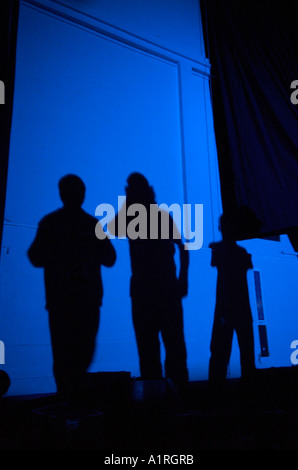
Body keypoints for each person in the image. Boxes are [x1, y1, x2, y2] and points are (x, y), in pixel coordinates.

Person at [28, 174, 116, 399]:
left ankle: (66, 400)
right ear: (82, 195)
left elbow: (36, 257)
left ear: (61, 194)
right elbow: (110, 258)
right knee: (81, 353)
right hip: (86, 301)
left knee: (63, 355)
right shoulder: (90, 224)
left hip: (61, 301)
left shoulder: (51, 222)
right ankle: (75, 400)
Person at [109, 172, 189, 389]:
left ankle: (158, 401)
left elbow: (112, 228)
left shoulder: (134, 217)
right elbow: (182, 248)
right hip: (165, 288)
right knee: (172, 347)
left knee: (149, 349)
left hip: (145, 290)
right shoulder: (161, 215)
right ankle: (178, 397)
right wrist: (183, 279)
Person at [208, 211, 256, 394]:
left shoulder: (218, 250)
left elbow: (224, 285)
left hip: (225, 308)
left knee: (220, 352)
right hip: (242, 308)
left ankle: (216, 392)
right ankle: (249, 392)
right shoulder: (242, 253)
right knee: (246, 353)